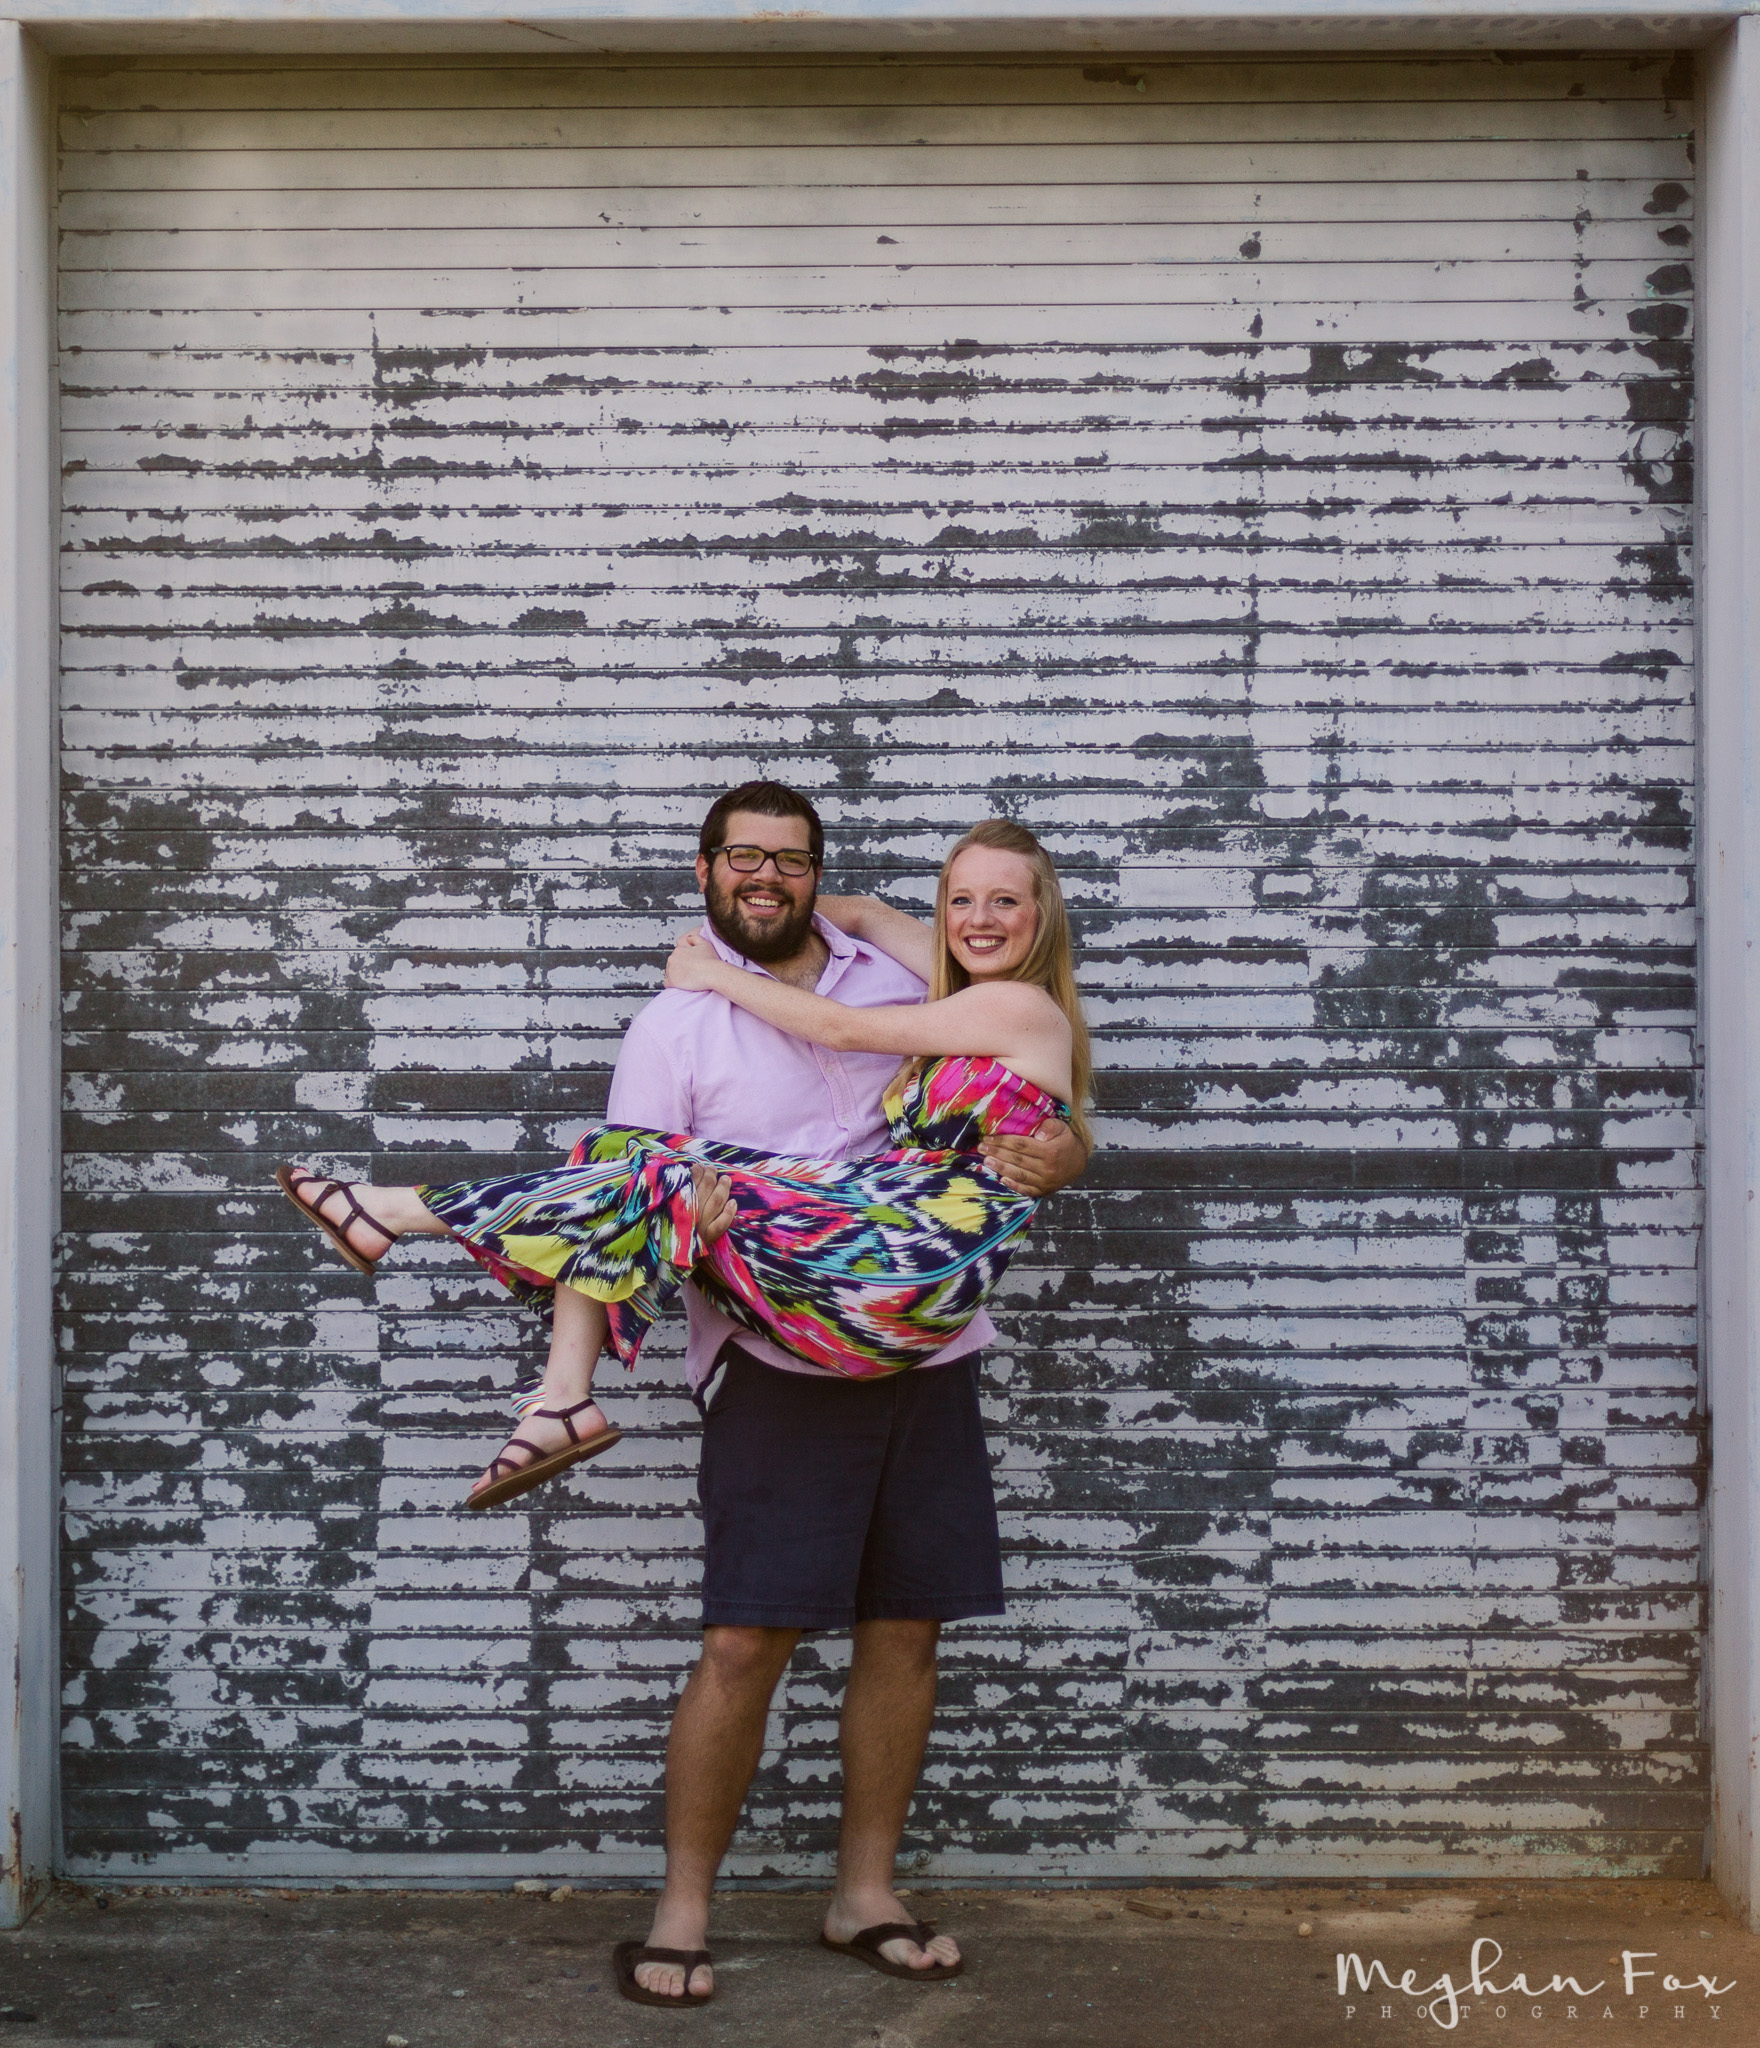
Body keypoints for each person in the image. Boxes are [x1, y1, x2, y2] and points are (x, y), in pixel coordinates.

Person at [275, 782, 1090, 2003]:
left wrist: (1068, 1145)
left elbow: (887, 1038)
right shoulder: (693, 1018)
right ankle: (682, 1909)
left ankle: (864, 1892)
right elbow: (622, 1200)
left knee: (906, 1626)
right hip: (784, 1340)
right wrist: (691, 1184)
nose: (768, 877)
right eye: (743, 858)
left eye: (792, 860)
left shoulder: (907, 989)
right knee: (741, 1628)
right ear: (705, 869)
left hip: (909, 1312)